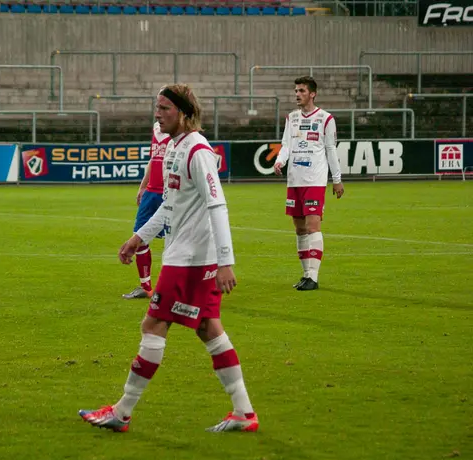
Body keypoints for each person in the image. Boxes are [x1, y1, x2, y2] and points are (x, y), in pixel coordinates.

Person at [79, 84, 258, 433]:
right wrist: (137, 238)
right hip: (187, 255)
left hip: (190, 260)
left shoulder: (197, 150)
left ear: (184, 113)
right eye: (156, 108)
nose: (157, 114)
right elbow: (170, 206)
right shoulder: (174, 147)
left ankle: (122, 411)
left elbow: (217, 204)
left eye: (164, 109)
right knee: (209, 328)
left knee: (153, 324)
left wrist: (225, 261)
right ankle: (244, 412)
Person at [273, 76, 344, 291]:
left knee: (313, 225)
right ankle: (305, 275)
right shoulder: (291, 118)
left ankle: (313, 276)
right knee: (299, 229)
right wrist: (280, 160)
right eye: (296, 90)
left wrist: (337, 179)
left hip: (315, 179)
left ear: (312, 93)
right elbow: (286, 144)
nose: (297, 94)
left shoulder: (325, 119)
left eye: (302, 91)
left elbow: (331, 149)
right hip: (294, 179)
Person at [122, 121, 171, 299]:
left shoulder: (180, 131)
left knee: (177, 240)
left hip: (170, 192)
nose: (159, 111)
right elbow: (153, 159)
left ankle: (181, 285)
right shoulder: (158, 128)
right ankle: (146, 287)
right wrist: (143, 186)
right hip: (151, 192)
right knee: (139, 236)